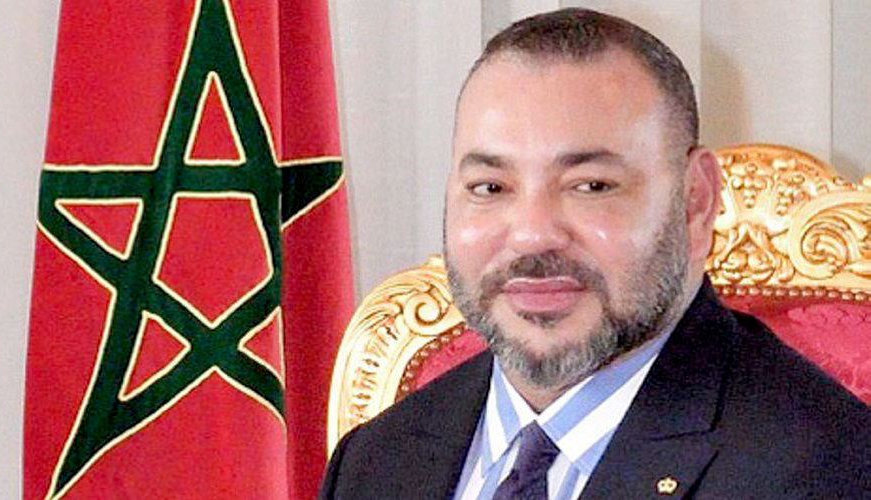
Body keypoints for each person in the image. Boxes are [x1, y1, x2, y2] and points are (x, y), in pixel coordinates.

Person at [320, 8, 869, 499]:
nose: (532, 235)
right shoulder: (376, 462)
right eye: (490, 187)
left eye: (591, 186)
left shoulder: (829, 473)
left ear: (695, 202)